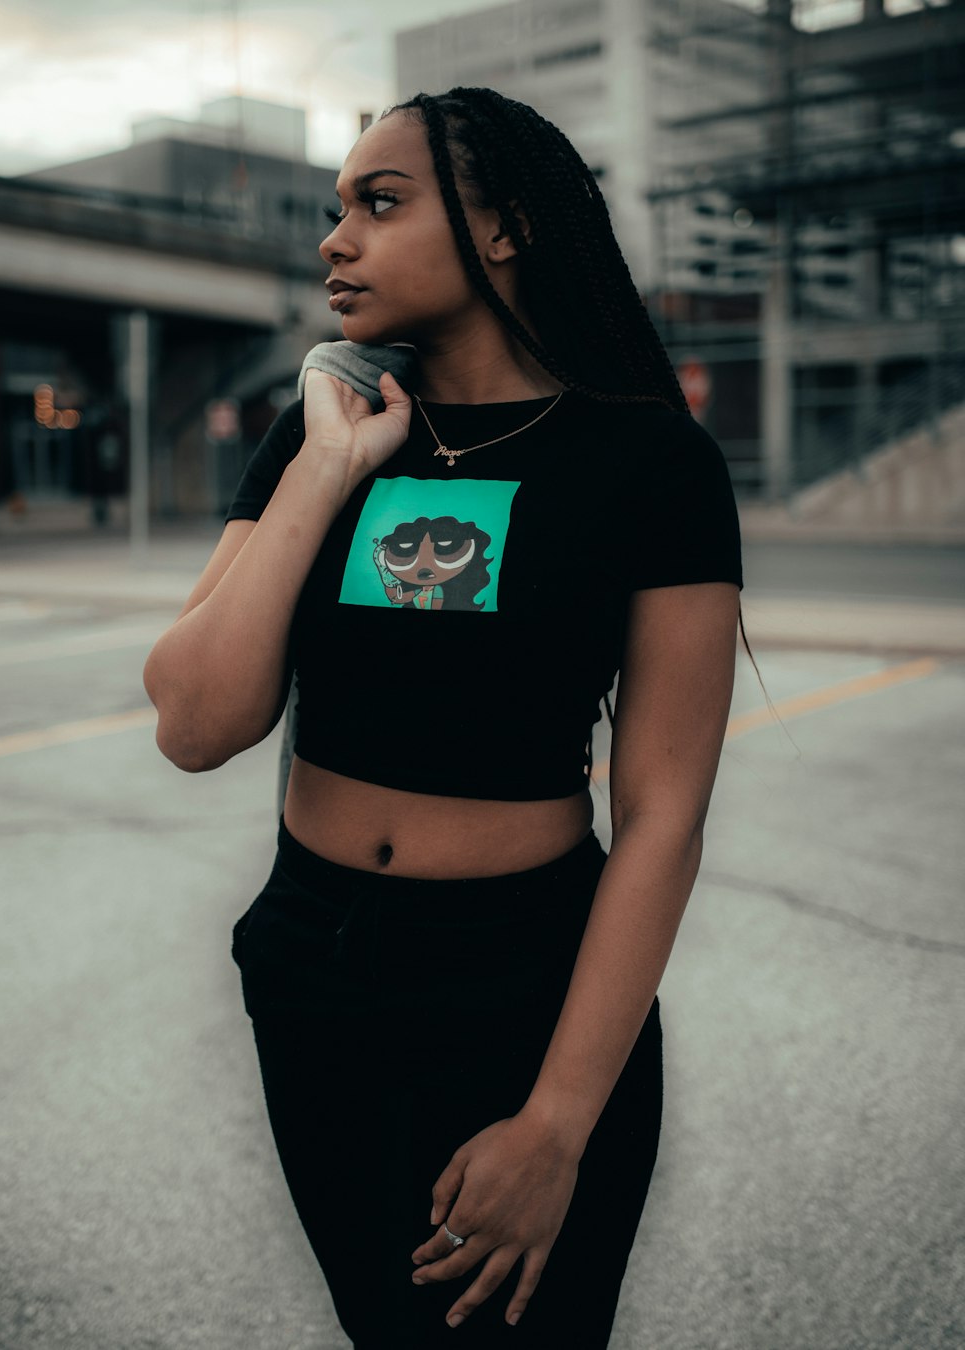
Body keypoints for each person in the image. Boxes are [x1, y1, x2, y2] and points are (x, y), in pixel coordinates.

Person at [143, 86, 746, 1349]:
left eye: (381, 202)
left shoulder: (647, 460)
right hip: (316, 964)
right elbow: (198, 721)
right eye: (336, 209)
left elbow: (662, 816)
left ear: (509, 228)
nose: (334, 240)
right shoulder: (322, 432)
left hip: (523, 984)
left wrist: (557, 1121)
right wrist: (328, 463)